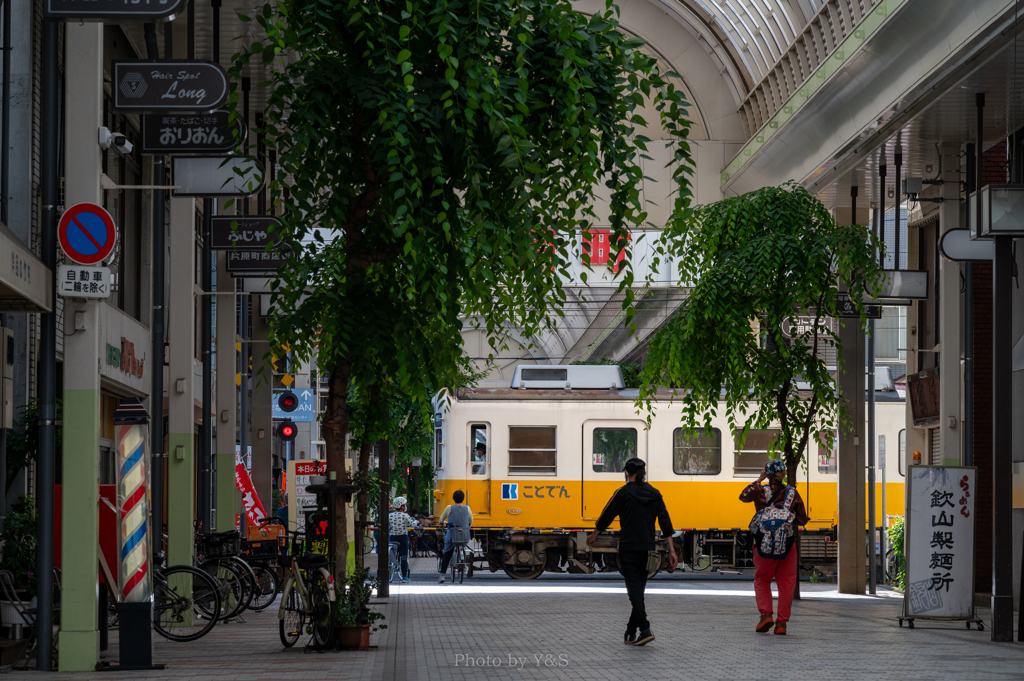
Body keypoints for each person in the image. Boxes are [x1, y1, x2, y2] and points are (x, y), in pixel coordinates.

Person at [587, 458, 677, 646]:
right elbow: (666, 523)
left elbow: (607, 515)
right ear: (643, 473)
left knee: (633, 591)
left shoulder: (623, 493)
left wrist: (594, 534)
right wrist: (671, 550)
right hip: (648, 549)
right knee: (638, 591)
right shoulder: (655, 494)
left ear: (627, 473)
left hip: (628, 548)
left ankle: (644, 628)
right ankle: (630, 632)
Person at [740, 459, 810, 636]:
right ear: (783, 473)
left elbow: (743, 496)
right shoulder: (792, 493)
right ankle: (781, 624)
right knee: (787, 583)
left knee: (762, 579)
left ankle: (765, 616)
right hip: (786, 545)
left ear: (767, 474)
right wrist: (787, 516)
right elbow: (802, 519)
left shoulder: (759, 491)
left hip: (762, 544)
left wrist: (758, 480)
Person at [437, 490, 473, 583]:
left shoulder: (449, 507)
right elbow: (471, 519)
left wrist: (441, 522)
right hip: (464, 534)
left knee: (447, 553)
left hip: (452, 534)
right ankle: (464, 566)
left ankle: (442, 576)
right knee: (462, 547)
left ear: (453, 498)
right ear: (463, 498)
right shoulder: (467, 508)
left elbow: (442, 518)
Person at [388, 497, 419, 582]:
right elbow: (412, 525)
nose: (406, 506)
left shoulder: (389, 515)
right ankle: (404, 577)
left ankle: (390, 568)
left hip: (393, 537)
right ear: (402, 506)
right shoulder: (405, 516)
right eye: (405, 505)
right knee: (404, 557)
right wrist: (416, 522)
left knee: (392, 553)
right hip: (403, 538)